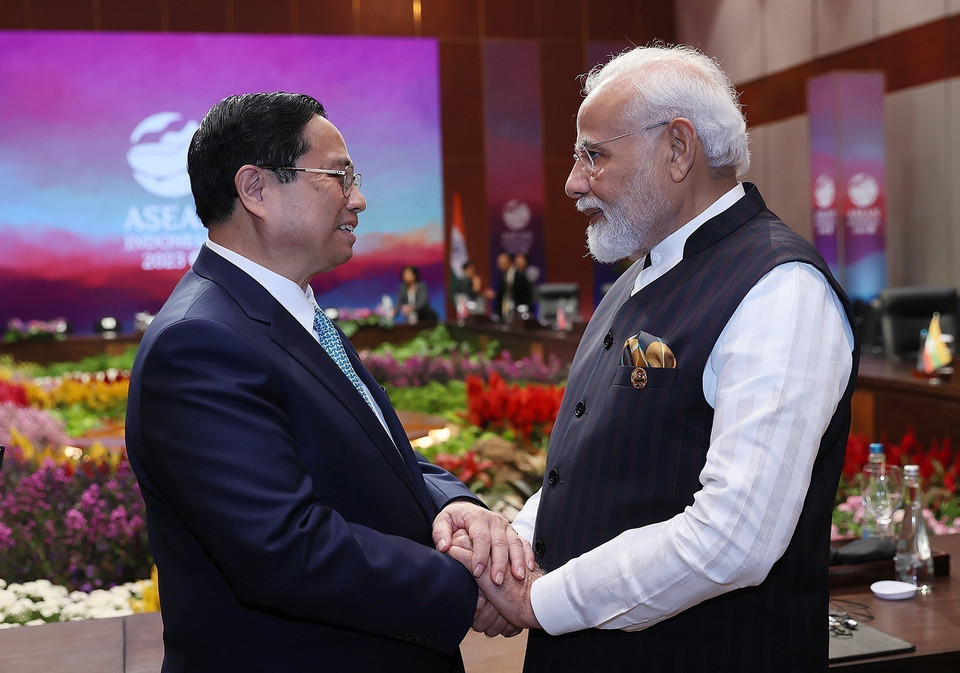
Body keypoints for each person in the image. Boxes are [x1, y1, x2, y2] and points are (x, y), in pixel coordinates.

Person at [448, 45, 859, 671]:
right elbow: (590, 474)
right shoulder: (637, 277)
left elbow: (734, 538)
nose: (573, 182)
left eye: (594, 154)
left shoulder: (780, 287)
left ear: (678, 148)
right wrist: (515, 556)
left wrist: (539, 600)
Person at [124, 92, 531, 673]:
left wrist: (458, 505)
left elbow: (373, 451)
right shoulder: (199, 342)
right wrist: (469, 585)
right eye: (339, 177)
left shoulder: (286, 311)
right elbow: (285, 546)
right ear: (255, 189)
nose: (358, 199)